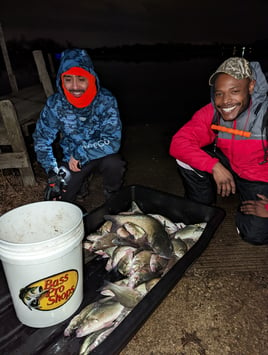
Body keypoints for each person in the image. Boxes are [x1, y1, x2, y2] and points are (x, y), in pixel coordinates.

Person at [169, 57, 268, 245]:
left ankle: (244, 206)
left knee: (256, 235)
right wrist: (214, 166)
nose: (225, 101)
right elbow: (178, 142)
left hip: (259, 178)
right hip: (229, 165)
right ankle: (200, 206)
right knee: (186, 157)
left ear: (251, 87)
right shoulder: (213, 111)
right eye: (219, 93)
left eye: (235, 91)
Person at [33, 48, 126, 203]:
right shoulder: (55, 104)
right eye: (68, 79)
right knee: (57, 199)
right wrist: (51, 170)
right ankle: (80, 186)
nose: (75, 86)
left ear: (91, 78)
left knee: (115, 163)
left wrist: (81, 152)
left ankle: (112, 192)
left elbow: (113, 140)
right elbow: (42, 139)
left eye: (81, 79)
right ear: (61, 80)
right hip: (70, 157)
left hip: (101, 154)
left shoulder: (106, 100)